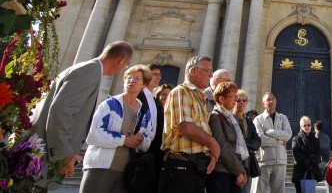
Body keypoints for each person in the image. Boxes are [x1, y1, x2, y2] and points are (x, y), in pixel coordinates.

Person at [31, 41, 133, 189]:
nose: (124, 68)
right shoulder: (89, 72)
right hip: (41, 157)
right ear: (121, 60)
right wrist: (64, 155)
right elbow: (61, 112)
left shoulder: (86, 69)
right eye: (126, 64)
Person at [79, 64, 153, 193]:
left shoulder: (144, 112)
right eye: (128, 77)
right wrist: (124, 140)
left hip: (126, 171)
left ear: (144, 85)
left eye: (137, 78)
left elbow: (147, 139)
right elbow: (94, 134)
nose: (132, 81)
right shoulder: (109, 104)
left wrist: (141, 139)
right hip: (101, 167)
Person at [158, 55, 221, 193]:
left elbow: (200, 131)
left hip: (194, 166)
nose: (211, 75)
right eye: (208, 71)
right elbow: (186, 127)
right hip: (180, 165)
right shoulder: (181, 92)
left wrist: (208, 153)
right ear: (193, 71)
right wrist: (213, 143)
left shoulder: (198, 97)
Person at [206, 81, 248, 193]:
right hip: (221, 173)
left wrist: (242, 170)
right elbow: (222, 146)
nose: (236, 99)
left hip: (234, 172)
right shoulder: (215, 117)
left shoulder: (232, 119)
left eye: (236, 96)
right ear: (221, 99)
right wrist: (239, 171)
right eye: (232, 96)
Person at [251, 92, 292, 193]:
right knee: (258, 190)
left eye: (273, 99)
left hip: (280, 162)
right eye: (268, 99)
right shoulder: (258, 120)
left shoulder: (283, 118)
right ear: (263, 104)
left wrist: (271, 133)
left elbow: (288, 134)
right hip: (264, 161)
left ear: (276, 101)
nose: (271, 101)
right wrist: (280, 140)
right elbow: (260, 139)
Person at [234, 89, 261, 193]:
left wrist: (243, 142)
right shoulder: (230, 119)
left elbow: (257, 142)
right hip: (235, 161)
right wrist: (248, 142)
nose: (242, 103)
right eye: (238, 100)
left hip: (248, 162)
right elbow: (233, 140)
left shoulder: (249, 121)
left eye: (244, 100)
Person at [292, 116, 323, 193]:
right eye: (304, 125)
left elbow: (318, 154)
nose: (307, 127)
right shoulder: (296, 139)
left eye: (308, 125)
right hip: (300, 171)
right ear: (301, 127)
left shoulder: (316, 140)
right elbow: (296, 153)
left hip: (312, 171)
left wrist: (311, 160)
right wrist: (306, 161)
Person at [314, 121, 332, 193]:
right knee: (327, 178)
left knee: (313, 177)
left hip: (317, 160)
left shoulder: (315, 136)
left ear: (315, 128)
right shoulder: (327, 137)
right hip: (326, 159)